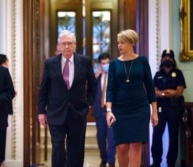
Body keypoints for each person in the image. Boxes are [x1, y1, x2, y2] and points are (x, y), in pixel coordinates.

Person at [38, 29, 97, 167]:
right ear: (59, 45)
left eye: (69, 43)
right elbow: (43, 88)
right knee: (58, 147)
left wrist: (88, 103)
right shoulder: (50, 63)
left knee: (75, 149)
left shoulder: (84, 61)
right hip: (56, 112)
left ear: (75, 45)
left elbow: (93, 85)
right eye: (63, 43)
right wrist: (41, 111)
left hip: (78, 112)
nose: (66, 46)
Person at [105, 29, 158, 167]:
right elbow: (110, 88)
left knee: (136, 145)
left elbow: (150, 87)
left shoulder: (142, 61)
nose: (119, 46)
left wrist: (155, 111)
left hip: (140, 108)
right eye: (118, 43)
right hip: (119, 109)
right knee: (122, 147)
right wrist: (109, 110)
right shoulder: (114, 64)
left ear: (131, 43)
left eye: (122, 42)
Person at [150, 49, 186, 167]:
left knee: (173, 135)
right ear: (161, 59)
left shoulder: (178, 73)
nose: (167, 59)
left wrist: (162, 93)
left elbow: (179, 92)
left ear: (173, 59)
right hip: (160, 109)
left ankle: (171, 162)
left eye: (169, 57)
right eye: (165, 57)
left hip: (175, 108)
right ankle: (156, 161)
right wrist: (169, 92)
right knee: (156, 134)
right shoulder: (158, 74)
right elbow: (154, 92)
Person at [93, 52, 116, 167]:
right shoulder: (97, 76)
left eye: (108, 63)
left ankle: (111, 161)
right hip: (100, 110)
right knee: (101, 137)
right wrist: (97, 74)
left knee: (112, 137)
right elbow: (87, 87)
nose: (106, 65)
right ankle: (104, 158)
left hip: (111, 110)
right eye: (103, 63)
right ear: (100, 64)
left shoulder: (115, 75)